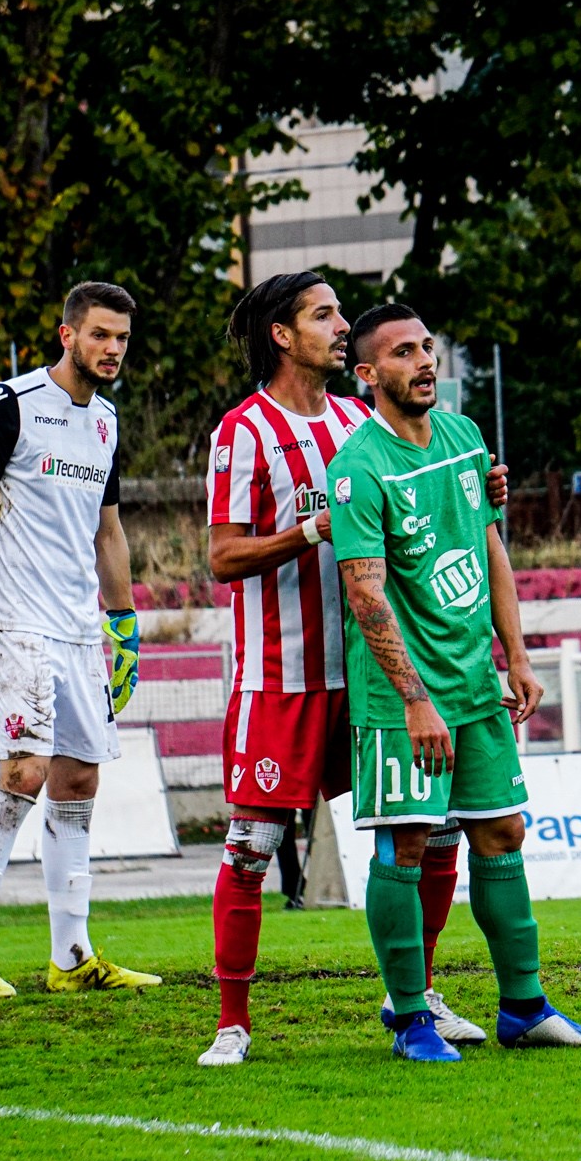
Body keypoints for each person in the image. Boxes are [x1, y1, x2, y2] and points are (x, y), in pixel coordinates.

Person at [195, 273, 506, 1067]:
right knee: (252, 843)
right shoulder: (243, 431)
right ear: (282, 335)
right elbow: (222, 556)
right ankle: (234, 1020)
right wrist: (310, 531)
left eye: (340, 317)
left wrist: (478, 490)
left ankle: (419, 994)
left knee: (429, 831)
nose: (340, 328)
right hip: (284, 675)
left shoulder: (355, 419)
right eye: (323, 315)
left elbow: (423, 493)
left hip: (377, 671)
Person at [330, 303, 581, 1061]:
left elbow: (491, 549)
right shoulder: (359, 468)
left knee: (502, 830)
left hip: (475, 680)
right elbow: (366, 593)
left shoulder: (464, 437)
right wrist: (416, 699)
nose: (424, 361)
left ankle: (524, 1005)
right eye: (402, 352)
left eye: (427, 346)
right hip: (402, 698)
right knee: (408, 844)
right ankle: (410, 1016)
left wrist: (516, 654)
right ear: (367, 375)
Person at [0, 281, 159, 1000]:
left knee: (80, 779)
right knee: (25, 772)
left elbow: (108, 530)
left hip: (82, 630)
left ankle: (72, 954)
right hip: (16, 623)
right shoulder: (11, 405)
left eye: (122, 339)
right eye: (100, 335)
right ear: (67, 334)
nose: (112, 349)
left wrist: (124, 622)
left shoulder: (106, 422)